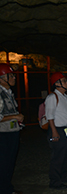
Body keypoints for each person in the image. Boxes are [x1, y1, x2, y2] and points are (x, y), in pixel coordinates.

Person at [45, 71, 67, 190]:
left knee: (66, 155)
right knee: (58, 157)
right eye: (64, 81)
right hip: (57, 129)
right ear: (57, 84)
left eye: (66, 80)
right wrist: (54, 131)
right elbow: (49, 116)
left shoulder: (65, 97)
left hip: (66, 130)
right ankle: (55, 181)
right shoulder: (52, 97)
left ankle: (65, 177)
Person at [0, 63, 24, 194]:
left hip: (11, 133)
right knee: (3, 164)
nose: (14, 78)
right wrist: (15, 116)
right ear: (2, 78)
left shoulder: (8, 92)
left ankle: (7, 188)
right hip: (3, 134)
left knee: (10, 163)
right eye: (11, 75)